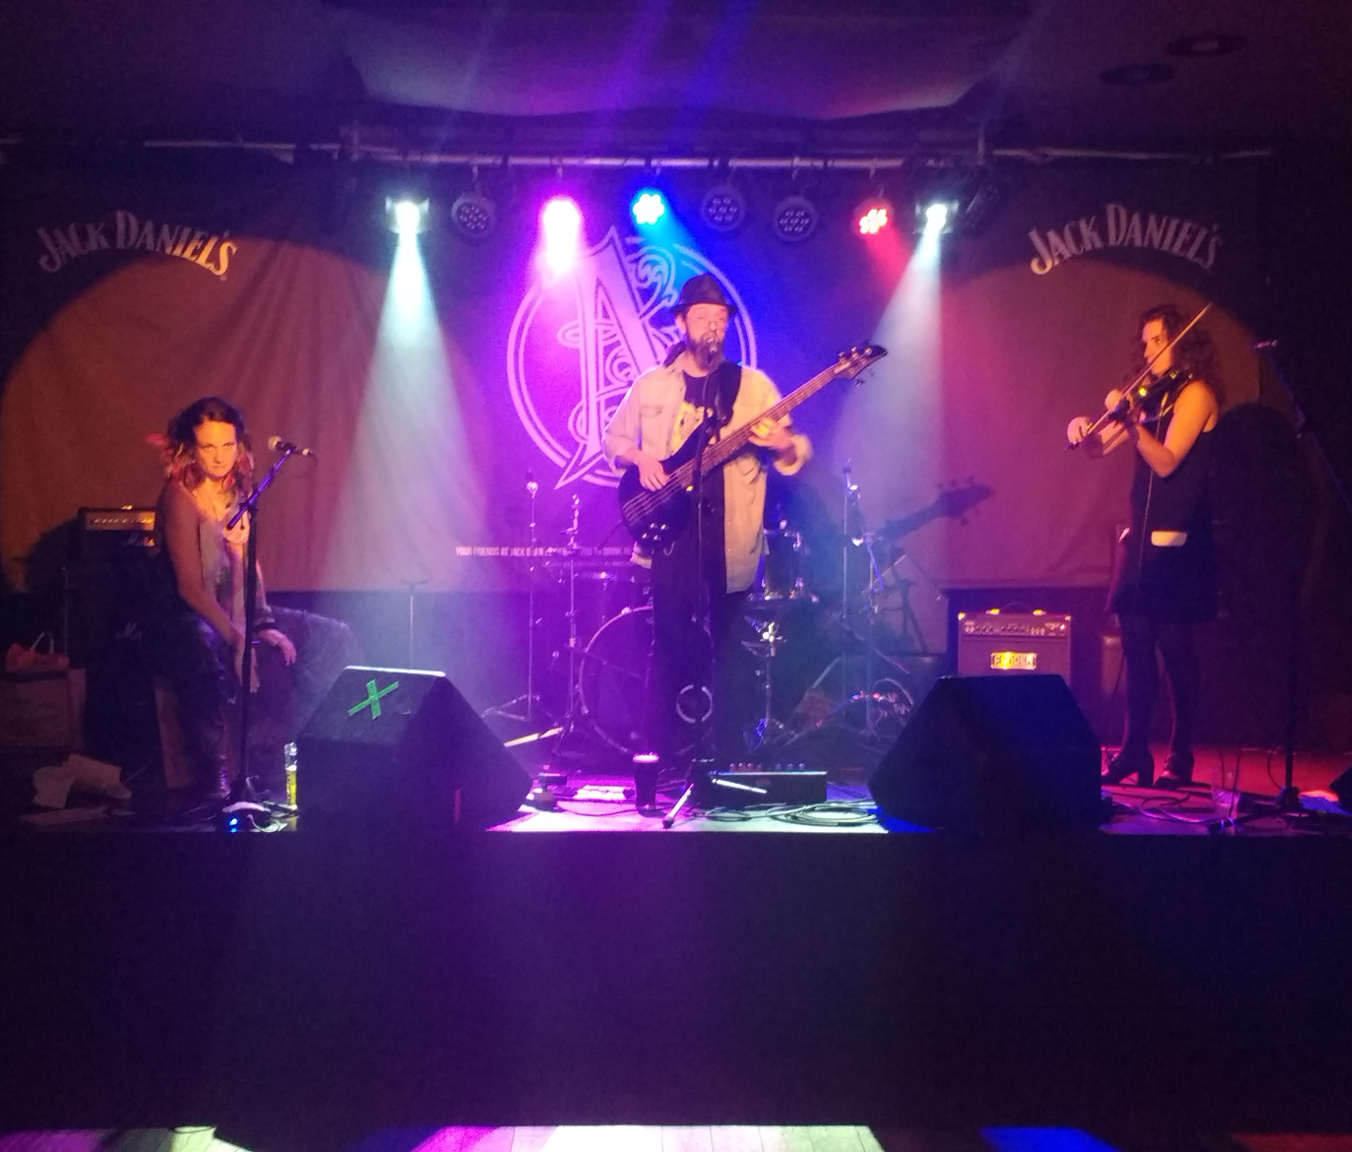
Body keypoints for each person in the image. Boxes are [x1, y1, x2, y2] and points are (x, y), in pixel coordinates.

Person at [603, 274, 811, 802]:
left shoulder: (753, 387)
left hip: (732, 542)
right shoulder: (652, 385)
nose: (712, 327)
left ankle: (728, 765)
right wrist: (643, 457)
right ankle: (658, 760)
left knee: (731, 651)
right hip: (669, 540)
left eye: (720, 320)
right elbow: (615, 442)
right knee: (668, 648)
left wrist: (784, 443)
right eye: (702, 318)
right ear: (681, 322)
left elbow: (793, 456)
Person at [151, 396, 360, 801]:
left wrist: (261, 622)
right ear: (190, 448)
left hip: (237, 611)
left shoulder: (238, 490)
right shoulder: (179, 497)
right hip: (192, 615)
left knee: (332, 638)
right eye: (208, 446)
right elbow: (189, 588)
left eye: (227, 445)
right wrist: (237, 638)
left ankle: (315, 749)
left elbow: (249, 568)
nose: (219, 456)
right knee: (202, 645)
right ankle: (218, 775)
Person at [1067, 305, 1221, 789]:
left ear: (1181, 342)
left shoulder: (1196, 394)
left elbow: (1168, 460)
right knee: (1135, 647)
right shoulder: (1151, 396)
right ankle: (1135, 750)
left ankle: (1181, 755)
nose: (1149, 350)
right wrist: (1081, 429)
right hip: (1141, 542)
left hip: (1177, 542)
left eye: (1158, 340)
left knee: (1175, 650)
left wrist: (1134, 424)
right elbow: (1098, 446)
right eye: (1146, 342)